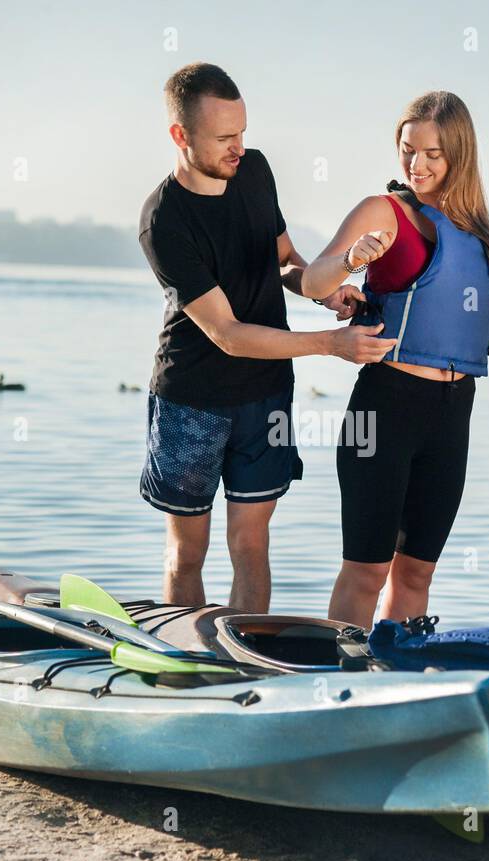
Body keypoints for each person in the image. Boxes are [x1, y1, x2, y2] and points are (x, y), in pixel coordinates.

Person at [138, 62, 394, 612]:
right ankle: (187, 670)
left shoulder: (253, 171)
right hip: (191, 400)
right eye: (224, 137)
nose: (239, 148)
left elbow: (281, 260)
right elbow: (227, 334)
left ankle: (245, 674)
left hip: (267, 396)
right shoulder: (163, 221)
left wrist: (326, 293)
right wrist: (331, 344)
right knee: (188, 552)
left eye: (243, 132)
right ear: (180, 137)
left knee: (252, 544)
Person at [300, 91, 489, 628]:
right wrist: (350, 261)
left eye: (432, 154)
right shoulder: (384, 211)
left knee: (417, 574)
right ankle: (341, 680)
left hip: (452, 414)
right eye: (408, 150)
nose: (416, 165)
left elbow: (484, 336)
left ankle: (396, 679)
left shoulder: (480, 236)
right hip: (386, 408)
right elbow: (313, 281)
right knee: (366, 569)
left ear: (459, 155)